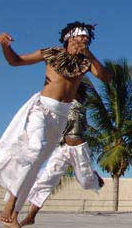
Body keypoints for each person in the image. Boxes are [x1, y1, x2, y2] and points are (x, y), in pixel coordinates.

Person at [0, 22, 110, 228]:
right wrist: (5, 47)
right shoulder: (50, 53)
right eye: (79, 38)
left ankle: (14, 214)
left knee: (36, 164)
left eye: (86, 39)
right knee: (34, 149)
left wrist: (90, 55)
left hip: (61, 116)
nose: (83, 41)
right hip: (42, 109)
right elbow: (16, 61)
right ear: (68, 38)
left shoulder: (85, 62)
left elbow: (106, 77)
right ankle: (9, 203)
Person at [20, 83, 105, 226]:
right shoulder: (63, 105)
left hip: (79, 149)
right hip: (62, 148)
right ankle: (31, 215)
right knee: (45, 180)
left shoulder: (78, 106)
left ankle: (94, 177)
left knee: (85, 183)